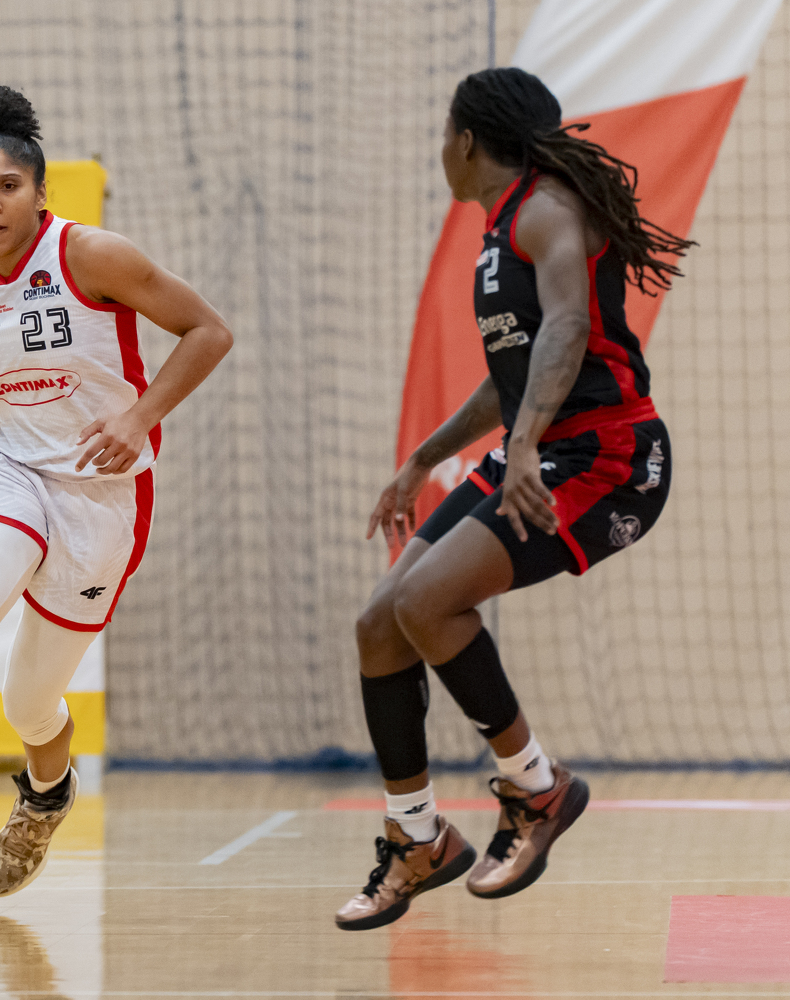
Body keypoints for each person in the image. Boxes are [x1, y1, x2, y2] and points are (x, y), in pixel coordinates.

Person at [336, 67, 689, 931]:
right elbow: (512, 377)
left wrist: (525, 445)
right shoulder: (502, 226)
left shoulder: (545, 209)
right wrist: (423, 459)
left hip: (608, 455)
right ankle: (417, 837)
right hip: (539, 447)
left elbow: (569, 327)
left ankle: (537, 788)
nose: (440, 149)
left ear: (466, 141)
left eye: (442, 135)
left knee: (428, 600)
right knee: (381, 622)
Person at [0, 85, 232, 919]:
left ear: (40, 194)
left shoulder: (94, 256)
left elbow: (209, 331)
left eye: (8, 187)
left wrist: (139, 416)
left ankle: (46, 794)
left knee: (29, 702)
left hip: (102, 492)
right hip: (8, 470)